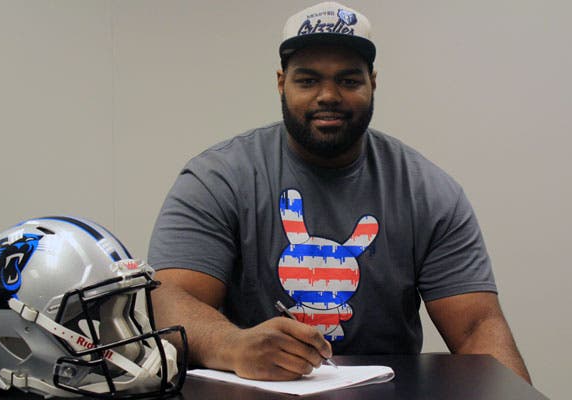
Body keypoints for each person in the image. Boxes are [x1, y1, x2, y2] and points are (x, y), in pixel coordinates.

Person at [148, 1, 531, 383]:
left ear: (372, 84)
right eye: (308, 80)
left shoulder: (427, 192)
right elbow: (169, 299)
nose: (328, 95)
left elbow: (476, 327)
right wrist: (233, 345)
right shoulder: (218, 179)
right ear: (281, 83)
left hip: (386, 392)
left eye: (348, 81)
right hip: (251, 389)